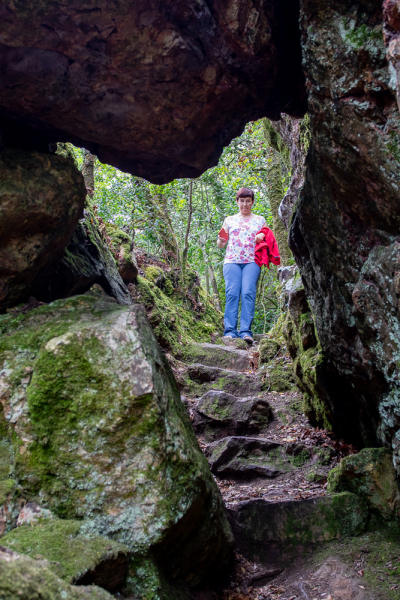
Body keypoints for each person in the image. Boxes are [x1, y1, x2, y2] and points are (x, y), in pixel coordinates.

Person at [217, 187, 279, 343]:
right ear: (237, 202)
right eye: (242, 201)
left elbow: (267, 235)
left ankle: (245, 332)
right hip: (232, 261)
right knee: (232, 294)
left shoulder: (259, 220)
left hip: (252, 261)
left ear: (252, 202)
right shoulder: (229, 220)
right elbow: (220, 244)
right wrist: (221, 239)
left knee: (248, 293)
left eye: (248, 201)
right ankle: (230, 331)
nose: (245, 204)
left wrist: (261, 235)